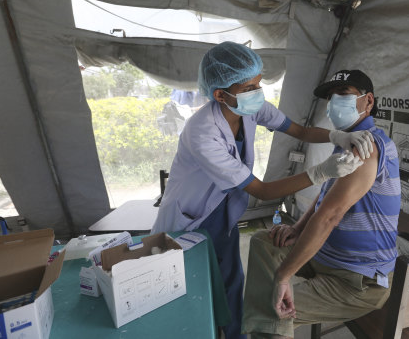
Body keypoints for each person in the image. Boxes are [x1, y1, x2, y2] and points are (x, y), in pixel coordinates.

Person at [151, 43, 375, 339]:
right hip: (191, 215)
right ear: (220, 94)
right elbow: (264, 191)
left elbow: (299, 131)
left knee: (231, 279)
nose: (258, 91)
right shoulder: (202, 131)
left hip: (224, 209)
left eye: (259, 82)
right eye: (250, 86)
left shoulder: (249, 107)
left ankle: (235, 335)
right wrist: (321, 172)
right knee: (191, 285)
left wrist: (339, 136)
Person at [241, 70, 401, 338]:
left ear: (368, 101)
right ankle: (265, 308)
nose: (334, 102)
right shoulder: (348, 140)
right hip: (329, 257)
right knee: (262, 242)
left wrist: (283, 276)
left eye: (344, 94)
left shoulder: (367, 146)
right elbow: (328, 193)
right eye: (331, 96)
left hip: (357, 279)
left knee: (268, 312)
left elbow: (330, 215)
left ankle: (267, 316)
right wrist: (298, 228)